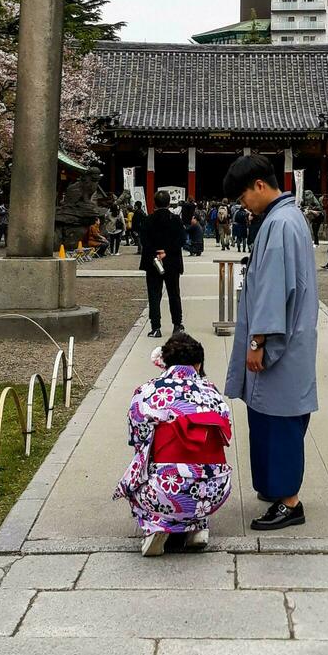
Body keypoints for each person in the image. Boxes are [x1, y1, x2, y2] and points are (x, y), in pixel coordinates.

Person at [223, 153, 318, 531]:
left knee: (279, 418)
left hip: (279, 340)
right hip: (290, 337)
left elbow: (274, 290)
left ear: (260, 186)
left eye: (243, 196)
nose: (242, 204)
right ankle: (274, 487)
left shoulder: (279, 224)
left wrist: (258, 341)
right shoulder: (286, 218)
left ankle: (289, 501)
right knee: (268, 414)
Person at [113, 334, 232, 557]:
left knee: (141, 464)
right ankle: (198, 526)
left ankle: (156, 526)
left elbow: (136, 437)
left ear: (164, 362)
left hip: (164, 489)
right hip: (214, 491)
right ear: (198, 364)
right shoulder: (213, 393)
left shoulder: (148, 391)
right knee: (200, 469)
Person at [140, 189, 187, 339]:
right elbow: (181, 240)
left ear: (155, 203)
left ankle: (155, 327)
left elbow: (144, 241)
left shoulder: (148, 220)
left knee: (154, 295)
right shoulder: (175, 220)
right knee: (174, 294)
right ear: (169, 203)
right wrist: (166, 251)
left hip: (153, 261)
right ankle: (177, 325)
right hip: (171, 260)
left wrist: (157, 251)